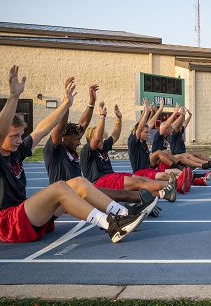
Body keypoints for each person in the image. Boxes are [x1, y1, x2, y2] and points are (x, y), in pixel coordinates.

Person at [0, 66, 155, 243]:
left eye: (21, 135)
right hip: (7, 223)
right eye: (14, 136)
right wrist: (13, 97)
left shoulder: (16, 152)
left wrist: (66, 104)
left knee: (78, 183)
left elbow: (42, 129)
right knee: (60, 186)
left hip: (26, 215)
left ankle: (122, 214)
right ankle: (110, 225)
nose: (20, 140)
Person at [44, 79, 159, 215]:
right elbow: (60, 128)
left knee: (123, 194)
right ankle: (126, 214)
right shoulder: (55, 149)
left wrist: (91, 102)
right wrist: (66, 104)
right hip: (65, 198)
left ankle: (144, 203)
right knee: (107, 200)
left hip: (80, 191)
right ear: (64, 137)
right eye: (76, 140)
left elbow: (83, 123)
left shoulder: (75, 147)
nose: (79, 143)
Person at [81, 102, 177, 201]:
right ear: (90, 140)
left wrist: (119, 119)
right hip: (99, 182)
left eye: (103, 139)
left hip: (111, 176)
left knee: (139, 179)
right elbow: (96, 139)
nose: (102, 141)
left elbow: (115, 136)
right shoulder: (87, 150)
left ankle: (165, 193)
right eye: (100, 139)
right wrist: (102, 116)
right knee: (137, 183)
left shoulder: (103, 146)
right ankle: (169, 185)